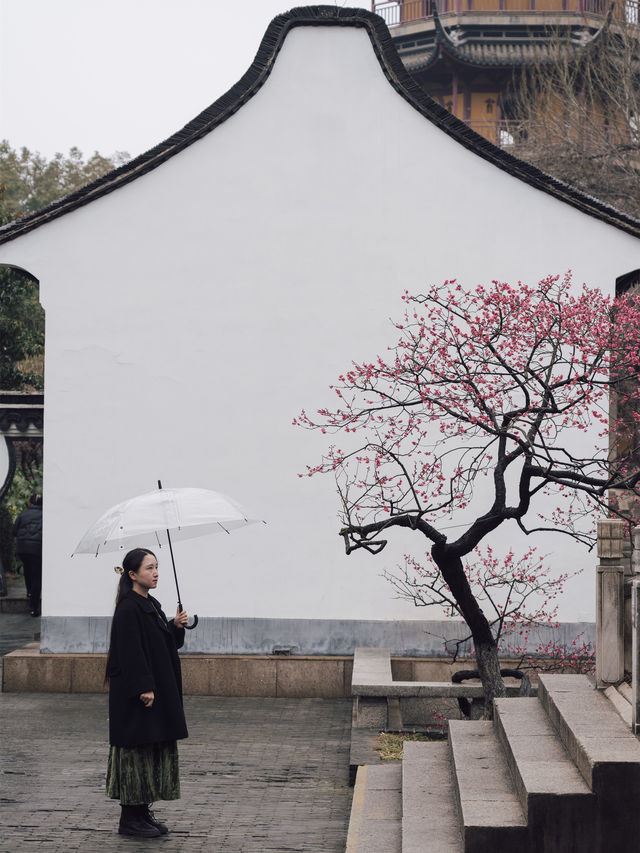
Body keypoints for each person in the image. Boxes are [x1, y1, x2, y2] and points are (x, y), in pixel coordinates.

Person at [105, 547, 189, 838]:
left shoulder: (150, 603)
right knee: (135, 754)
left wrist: (174, 626)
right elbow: (130, 652)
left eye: (157, 567)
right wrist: (144, 687)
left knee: (149, 749)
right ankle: (129, 817)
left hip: (156, 691)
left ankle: (141, 812)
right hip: (138, 696)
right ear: (132, 574)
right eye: (149, 568)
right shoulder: (129, 607)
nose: (155, 573)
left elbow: (158, 642)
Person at [13, 493, 43, 616]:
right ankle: (33, 607)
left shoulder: (22, 515)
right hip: (36, 549)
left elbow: (14, 531)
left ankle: (29, 592)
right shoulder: (44, 516)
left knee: (27, 571)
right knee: (36, 576)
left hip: (23, 549)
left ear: (30, 502)